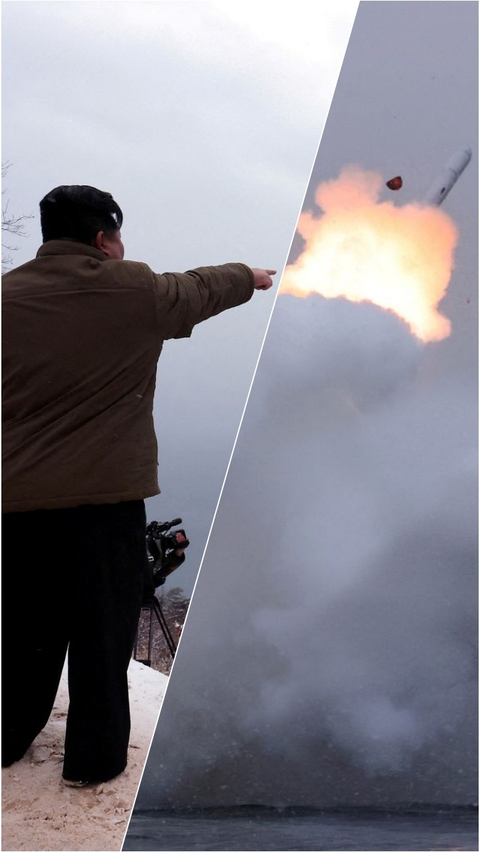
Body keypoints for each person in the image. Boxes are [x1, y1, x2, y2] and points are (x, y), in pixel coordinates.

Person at [2, 184, 275, 786]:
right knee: (102, 634)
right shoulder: (135, 292)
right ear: (104, 238)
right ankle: (93, 762)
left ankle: (8, 738)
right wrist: (250, 275)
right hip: (105, 504)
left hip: (17, 506)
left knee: (25, 631)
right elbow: (201, 287)